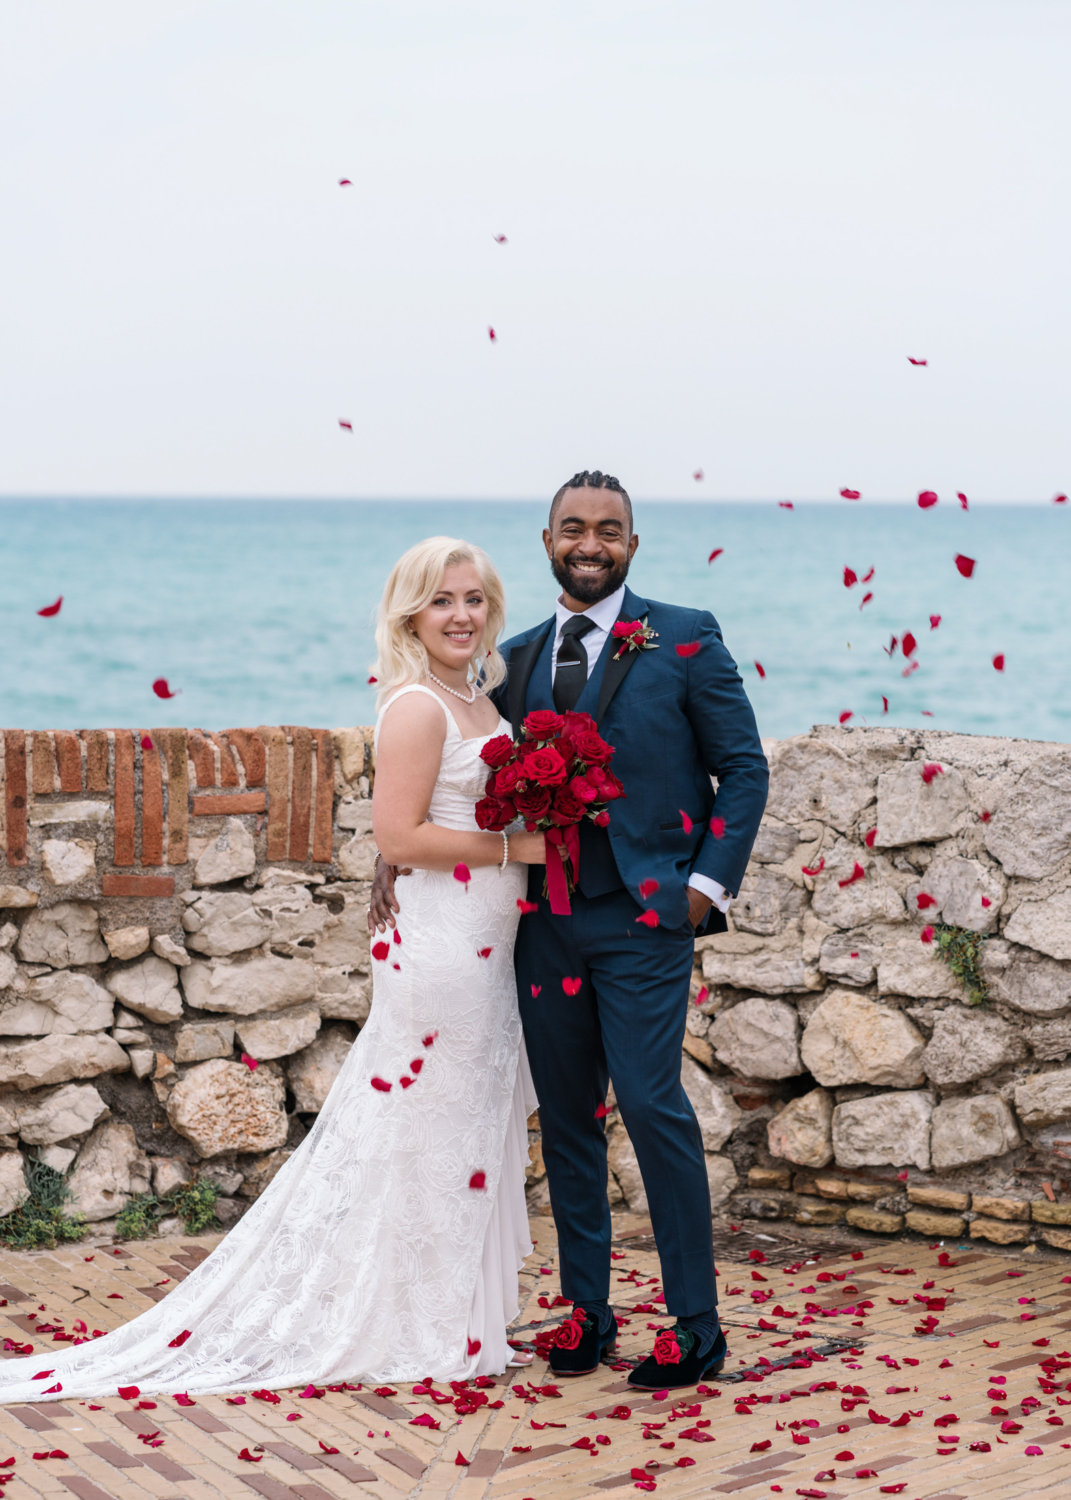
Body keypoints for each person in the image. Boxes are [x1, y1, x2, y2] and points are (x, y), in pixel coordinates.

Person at [0, 536, 544, 1403]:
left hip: (486, 941)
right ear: (410, 612)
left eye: (474, 598)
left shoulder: (479, 698)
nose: (461, 615)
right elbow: (398, 838)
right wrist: (524, 845)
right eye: (441, 600)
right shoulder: (415, 707)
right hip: (440, 947)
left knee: (461, 1127)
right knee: (424, 1128)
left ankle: (449, 1316)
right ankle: (410, 1320)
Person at [371, 472, 768, 1391]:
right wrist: (391, 862)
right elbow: (452, 789)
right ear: (547, 540)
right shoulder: (506, 663)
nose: (591, 545)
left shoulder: (687, 635)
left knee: (650, 1104)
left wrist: (701, 889)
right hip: (539, 925)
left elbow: (741, 769)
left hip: (643, 920)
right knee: (569, 1123)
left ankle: (694, 1324)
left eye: (610, 531)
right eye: (573, 530)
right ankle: (588, 1313)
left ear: (633, 542)